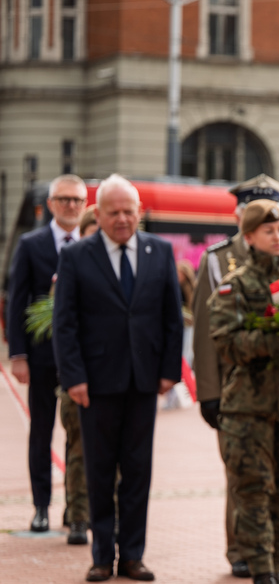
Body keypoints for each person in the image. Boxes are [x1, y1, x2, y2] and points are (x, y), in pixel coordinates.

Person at [52, 174, 183, 582]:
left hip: (144, 382)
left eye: (129, 211)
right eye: (114, 212)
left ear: (139, 213)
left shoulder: (159, 252)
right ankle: (100, 556)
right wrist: (73, 377)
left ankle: (132, 556)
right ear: (100, 213)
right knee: (99, 472)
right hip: (95, 383)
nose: (122, 219)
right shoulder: (77, 256)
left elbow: (172, 319)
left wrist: (168, 372)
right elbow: (65, 323)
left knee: (138, 472)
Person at [191, 173, 279, 579]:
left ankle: (278, 560)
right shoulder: (233, 284)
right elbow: (223, 342)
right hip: (249, 408)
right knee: (253, 492)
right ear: (249, 235)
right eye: (269, 230)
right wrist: (276, 339)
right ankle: (261, 570)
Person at [5, 174, 87, 535]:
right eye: (64, 199)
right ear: (51, 204)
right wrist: (18, 354)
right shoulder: (31, 244)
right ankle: (41, 506)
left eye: (77, 201)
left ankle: (76, 505)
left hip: (82, 360)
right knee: (41, 431)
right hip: (39, 357)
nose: (70, 206)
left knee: (80, 433)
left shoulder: (92, 244)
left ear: (84, 205)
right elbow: (16, 301)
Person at [58, 203, 99, 545]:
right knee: (78, 451)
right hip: (79, 378)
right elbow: (62, 327)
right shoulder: (70, 271)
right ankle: (77, 515)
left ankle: (102, 514)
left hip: (114, 378)